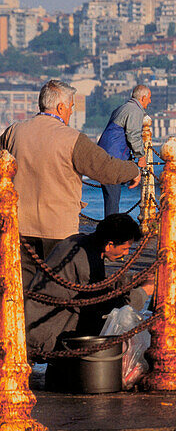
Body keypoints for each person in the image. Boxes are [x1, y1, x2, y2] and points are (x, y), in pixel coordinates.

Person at [0, 80, 142, 289]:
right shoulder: (72, 139)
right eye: (71, 107)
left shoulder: (14, 132)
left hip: (19, 227)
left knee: (20, 292)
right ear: (60, 107)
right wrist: (135, 169)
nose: (71, 112)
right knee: (56, 291)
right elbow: (106, 169)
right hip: (58, 231)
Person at [23, 213, 155, 360]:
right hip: (42, 336)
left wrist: (133, 280)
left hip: (34, 324)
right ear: (109, 245)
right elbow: (108, 307)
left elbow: (99, 283)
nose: (126, 253)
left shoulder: (81, 242)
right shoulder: (83, 259)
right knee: (107, 322)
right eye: (125, 248)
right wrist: (143, 292)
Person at [96, 85, 151, 216]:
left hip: (104, 155)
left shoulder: (122, 108)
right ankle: (110, 232)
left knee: (110, 198)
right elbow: (133, 135)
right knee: (112, 201)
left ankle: (109, 230)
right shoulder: (135, 111)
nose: (150, 101)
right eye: (149, 98)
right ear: (143, 98)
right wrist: (141, 157)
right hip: (113, 159)